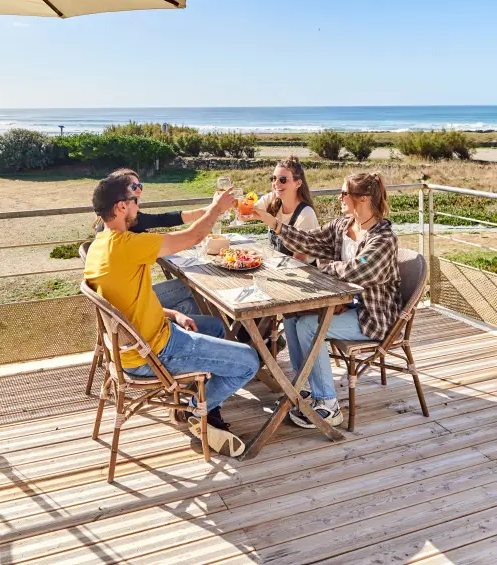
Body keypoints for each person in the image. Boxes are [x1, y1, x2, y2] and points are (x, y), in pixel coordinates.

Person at [84, 173, 260, 456]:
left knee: (214, 327)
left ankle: (207, 408)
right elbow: (194, 236)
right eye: (134, 201)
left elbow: (123, 305)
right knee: (250, 361)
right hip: (155, 353)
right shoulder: (127, 245)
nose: (138, 207)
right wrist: (216, 208)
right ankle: (193, 410)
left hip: (140, 343)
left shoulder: (99, 246)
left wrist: (171, 313)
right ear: (120, 208)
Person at [262, 171, 401, 428]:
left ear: (364, 199)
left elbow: (358, 270)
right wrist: (276, 225)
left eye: (344, 193)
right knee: (292, 316)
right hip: (346, 305)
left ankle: (328, 404)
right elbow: (309, 241)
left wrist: (320, 269)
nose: (339, 197)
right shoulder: (342, 226)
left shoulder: (383, 239)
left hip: (372, 316)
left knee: (308, 326)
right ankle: (302, 386)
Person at [94, 167, 212, 317]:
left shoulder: (107, 227)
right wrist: (212, 210)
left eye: (140, 186)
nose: (139, 190)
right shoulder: (125, 227)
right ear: (120, 199)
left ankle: (202, 330)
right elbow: (166, 222)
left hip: (125, 300)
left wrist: (205, 211)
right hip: (133, 303)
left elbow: (161, 220)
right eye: (134, 186)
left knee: (190, 305)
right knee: (193, 285)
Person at [241, 157, 320, 261]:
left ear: (298, 183)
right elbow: (245, 216)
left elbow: (299, 261)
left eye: (282, 180)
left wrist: (266, 218)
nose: (276, 184)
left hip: (305, 273)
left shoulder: (306, 215)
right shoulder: (272, 199)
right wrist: (240, 208)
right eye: (274, 178)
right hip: (278, 265)